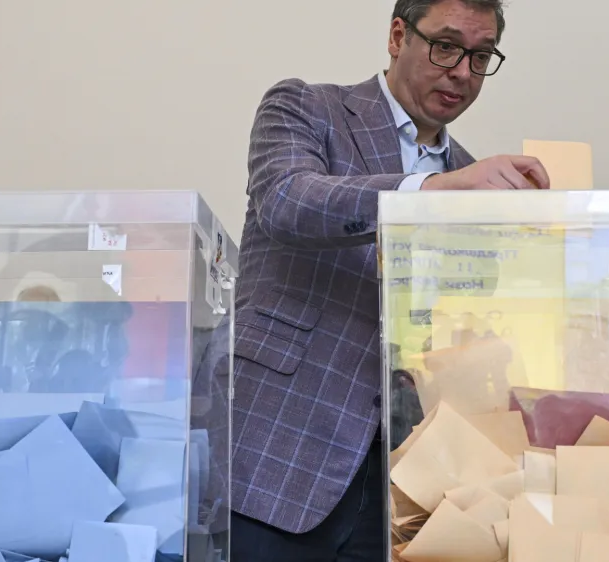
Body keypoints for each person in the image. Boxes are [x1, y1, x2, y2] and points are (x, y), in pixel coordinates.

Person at [228, 0, 550, 560]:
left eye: (480, 56)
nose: (462, 72)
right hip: (281, 451)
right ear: (398, 36)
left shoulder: (476, 179)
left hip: (408, 480)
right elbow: (287, 200)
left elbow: (462, 331)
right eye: (445, 46)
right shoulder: (308, 106)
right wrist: (431, 192)